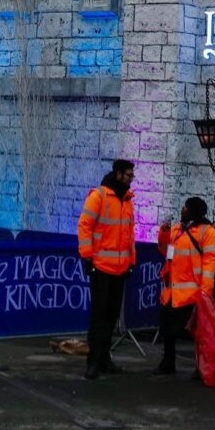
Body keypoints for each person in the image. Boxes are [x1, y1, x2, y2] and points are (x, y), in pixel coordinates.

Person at [77, 158, 136, 380]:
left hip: (119, 268)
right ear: (119, 174)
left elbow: (129, 234)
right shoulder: (100, 196)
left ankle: (104, 358)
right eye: (129, 175)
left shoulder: (127, 200)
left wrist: (131, 261)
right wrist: (88, 258)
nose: (131, 179)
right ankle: (93, 362)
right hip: (101, 267)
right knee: (99, 316)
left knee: (110, 317)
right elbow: (84, 225)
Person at [153, 196, 215, 376]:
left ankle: (201, 367)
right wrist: (164, 232)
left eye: (185, 207)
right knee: (167, 328)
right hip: (172, 290)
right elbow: (164, 249)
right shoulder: (177, 229)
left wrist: (206, 291)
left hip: (192, 292)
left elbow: (210, 262)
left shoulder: (207, 232)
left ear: (193, 210)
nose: (182, 209)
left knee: (198, 332)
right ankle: (168, 361)